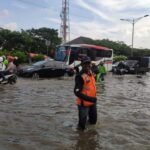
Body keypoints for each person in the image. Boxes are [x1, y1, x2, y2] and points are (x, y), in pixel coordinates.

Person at [74, 56, 97, 131]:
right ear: (82, 65)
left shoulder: (91, 73)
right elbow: (76, 92)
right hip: (83, 104)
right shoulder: (79, 76)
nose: (87, 65)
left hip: (93, 102)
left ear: (90, 64)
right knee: (82, 126)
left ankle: (91, 135)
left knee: (93, 122)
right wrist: (89, 99)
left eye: (88, 63)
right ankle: (80, 137)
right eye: (85, 64)